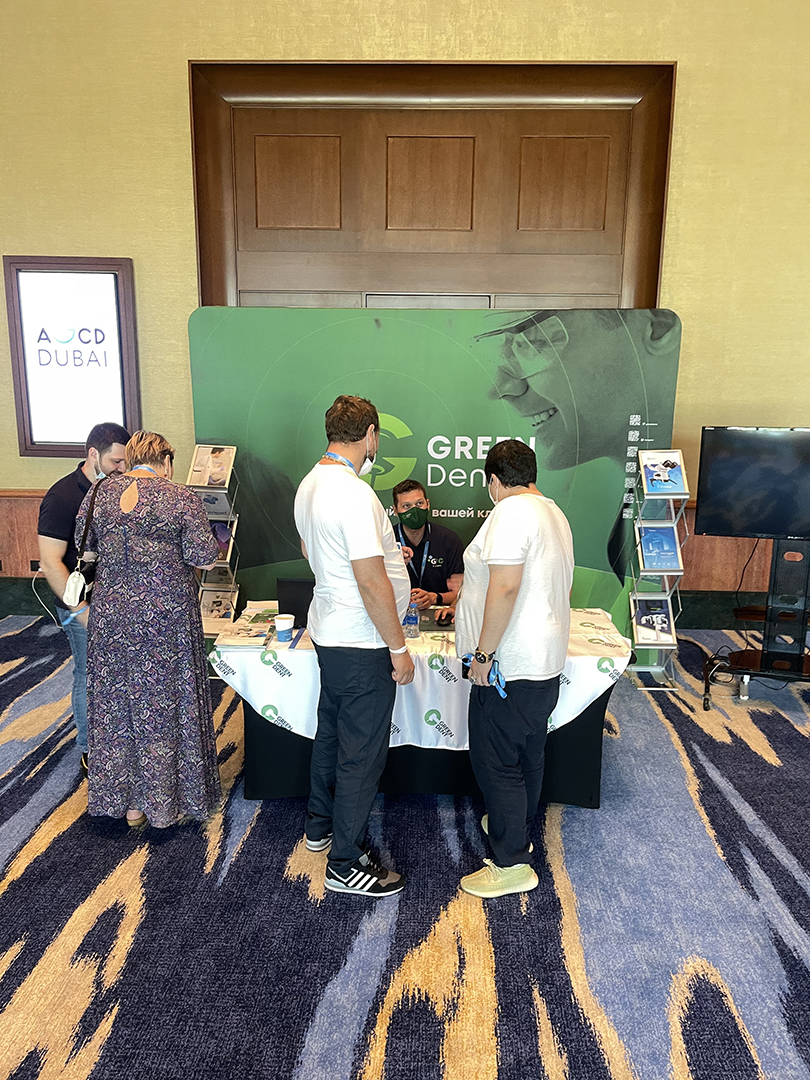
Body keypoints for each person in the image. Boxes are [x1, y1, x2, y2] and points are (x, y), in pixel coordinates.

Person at [294, 395, 413, 897]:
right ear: (370, 434)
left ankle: (320, 827)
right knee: (361, 754)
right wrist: (397, 646)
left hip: (330, 632)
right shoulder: (354, 493)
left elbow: (310, 550)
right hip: (362, 641)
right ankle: (344, 864)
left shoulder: (310, 483)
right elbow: (370, 580)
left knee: (331, 734)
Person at [76, 430, 221, 827]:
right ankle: (165, 804)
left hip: (110, 615)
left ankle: (129, 805)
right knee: (165, 704)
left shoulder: (98, 494)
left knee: (116, 704)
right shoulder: (180, 497)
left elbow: (85, 546)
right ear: (167, 462)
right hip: (164, 618)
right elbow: (205, 558)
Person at [455, 439, 574, 899]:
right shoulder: (553, 512)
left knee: (497, 762)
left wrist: (483, 656)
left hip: (510, 664)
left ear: (493, 480)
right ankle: (515, 825)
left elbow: (504, 587)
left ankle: (510, 864)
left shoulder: (510, 512)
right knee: (528, 753)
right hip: (542, 662)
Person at [37, 421, 131, 775]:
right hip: (81, 604)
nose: (122, 469)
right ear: (93, 454)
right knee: (88, 674)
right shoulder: (62, 497)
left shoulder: (121, 491)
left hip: (117, 601)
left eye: (126, 462)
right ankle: (91, 749)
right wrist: (81, 612)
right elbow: (50, 562)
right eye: (116, 462)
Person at [391, 479, 464, 611]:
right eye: (406, 506)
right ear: (395, 510)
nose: (414, 511)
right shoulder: (386, 542)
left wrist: (434, 598)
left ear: (428, 504)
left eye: (419, 503)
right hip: (397, 613)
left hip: (438, 614)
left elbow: (460, 592)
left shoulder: (449, 540)